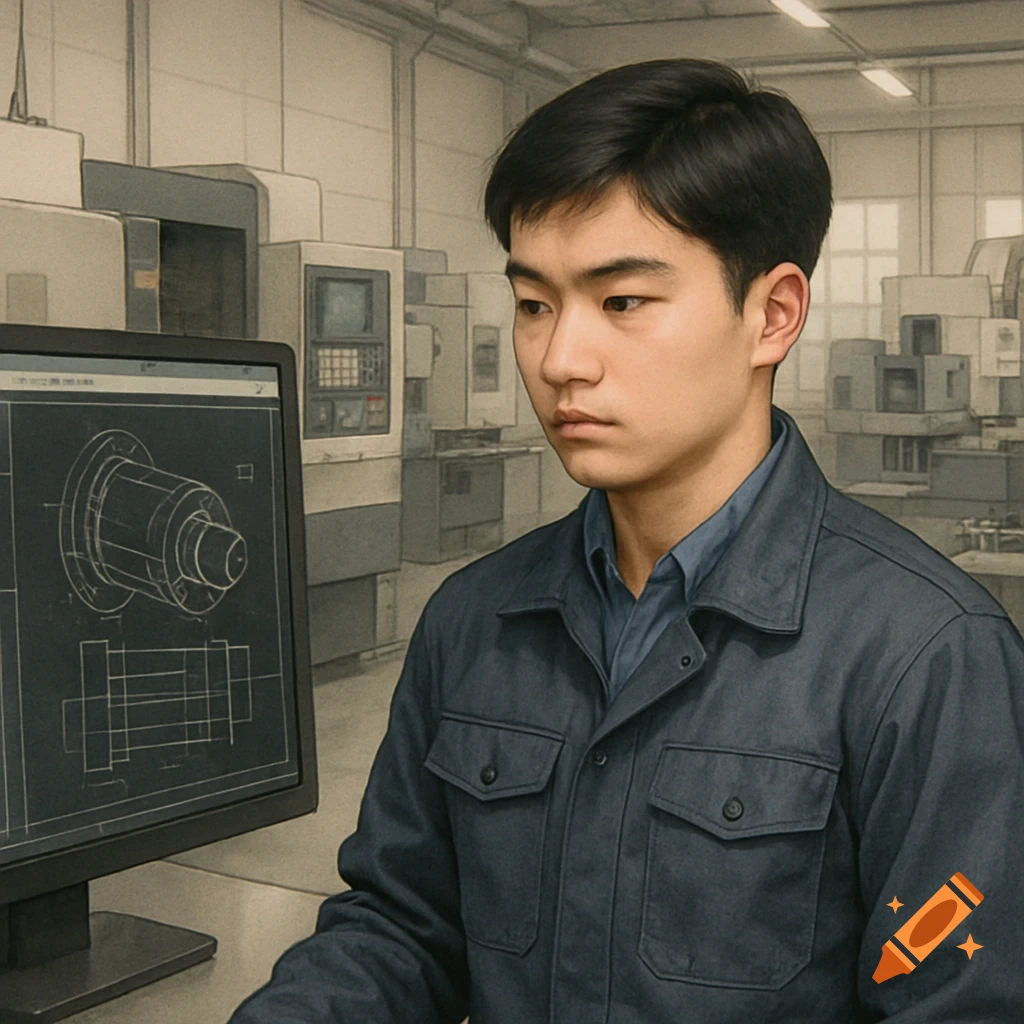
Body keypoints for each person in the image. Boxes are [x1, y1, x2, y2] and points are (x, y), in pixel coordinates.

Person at [230, 58, 1024, 1022]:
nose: (561, 358)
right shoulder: (477, 623)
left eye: (622, 302)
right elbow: (404, 925)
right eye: (533, 304)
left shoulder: (925, 659)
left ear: (772, 315)